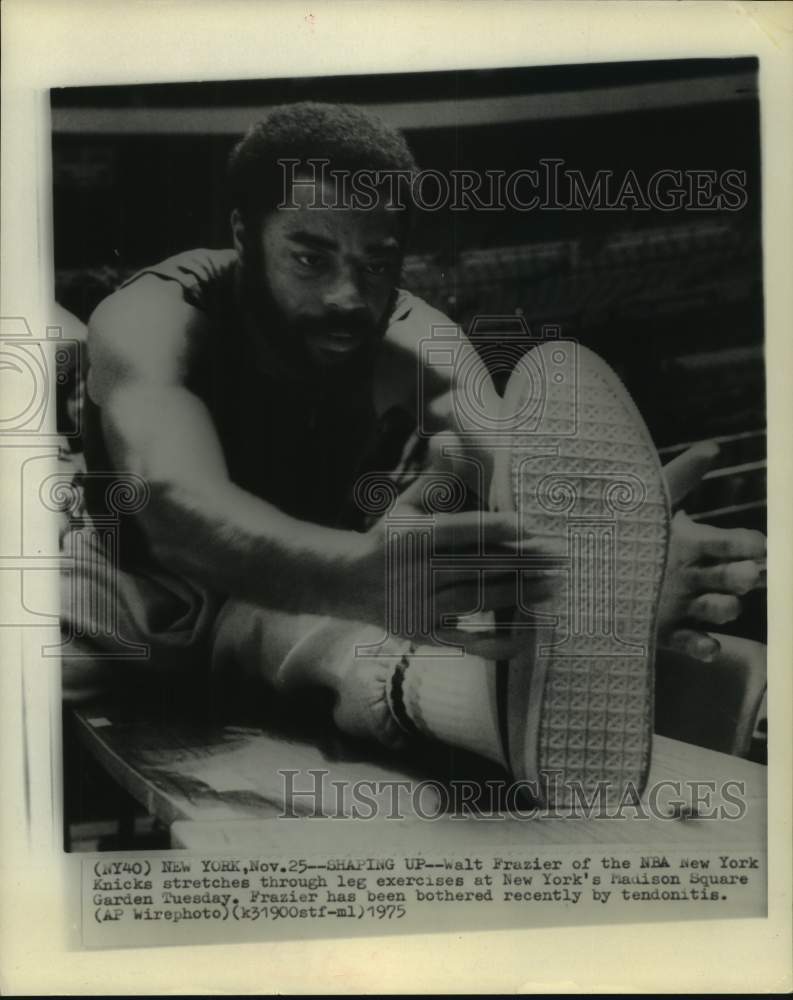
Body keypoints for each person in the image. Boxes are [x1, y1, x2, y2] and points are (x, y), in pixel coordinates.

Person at [62, 102, 765, 804]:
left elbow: (507, 458)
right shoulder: (154, 316)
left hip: (281, 593)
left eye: (377, 263)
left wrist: (606, 554)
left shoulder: (415, 336)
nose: (348, 296)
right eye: (310, 257)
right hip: (120, 584)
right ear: (244, 233)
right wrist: (355, 578)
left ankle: (490, 696)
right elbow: (173, 505)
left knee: (422, 518)